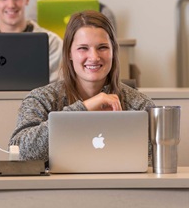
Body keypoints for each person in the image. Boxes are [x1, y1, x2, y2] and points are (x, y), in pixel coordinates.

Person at [9, 10, 155, 164]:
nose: (94, 57)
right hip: (59, 188)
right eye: (83, 48)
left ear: (113, 51)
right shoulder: (41, 99)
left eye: (102, 47)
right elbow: (19, 153)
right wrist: (84, 108)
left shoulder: (140, 106)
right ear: (69, 53)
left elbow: (151, 161)